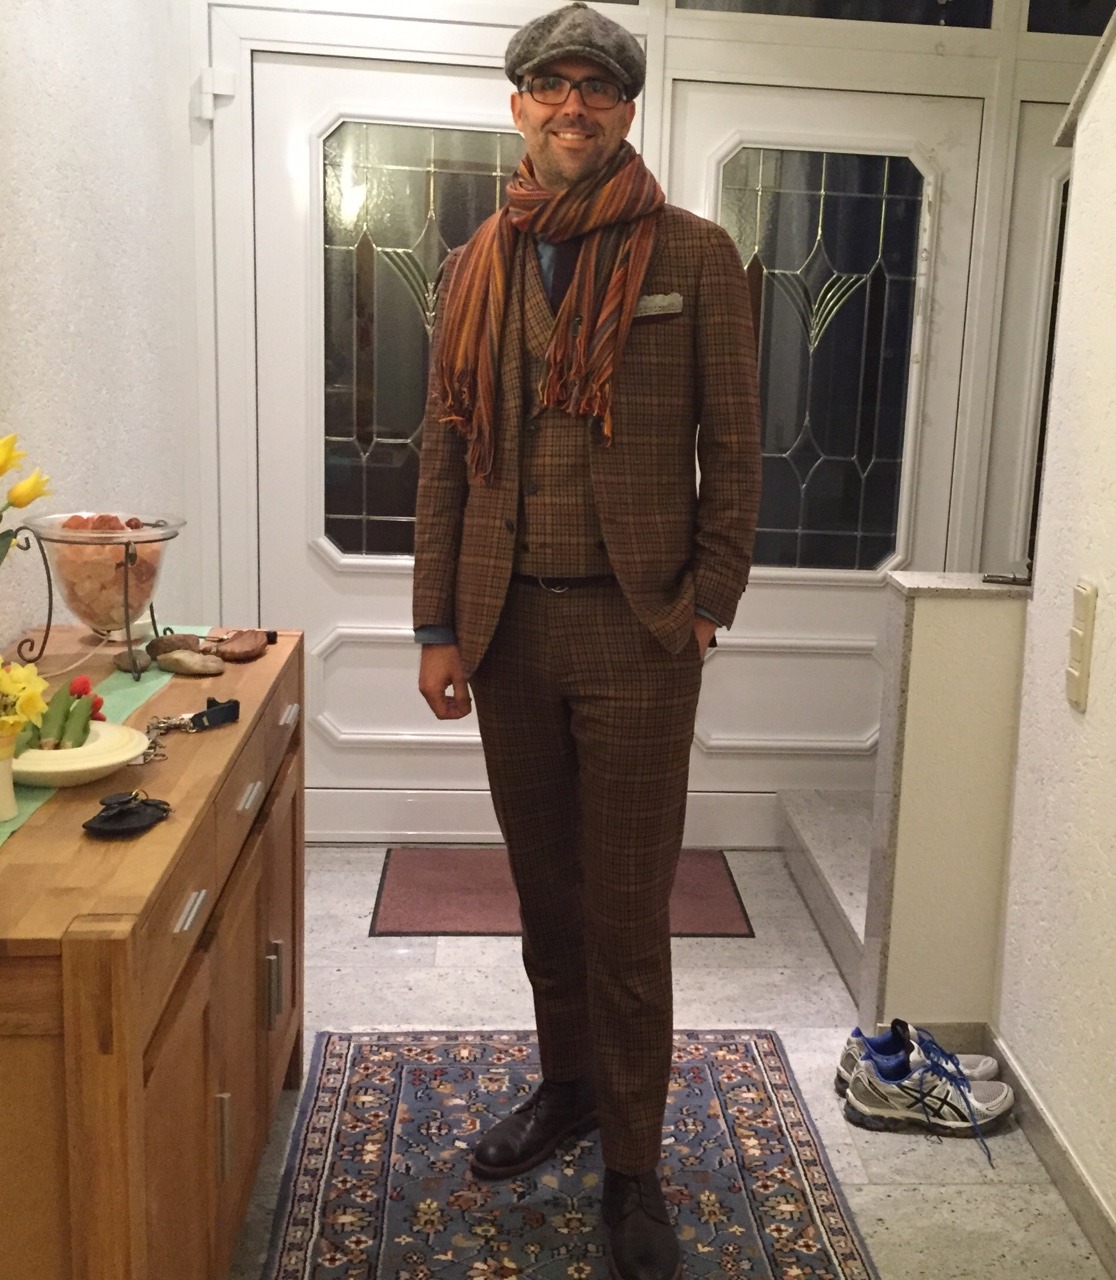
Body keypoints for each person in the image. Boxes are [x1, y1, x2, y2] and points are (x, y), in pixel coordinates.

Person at [412, 4, 761, 1276]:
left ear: (624, 107)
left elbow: (737, 445)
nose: (572, 107)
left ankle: (631, 1161)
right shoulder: (475, 263)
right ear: (517, 105)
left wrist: (708, 598)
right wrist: (436, 622)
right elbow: (443, 450)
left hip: (636, 629)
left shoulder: (695, 254)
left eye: (595, 88)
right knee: (545, 894)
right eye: (549, 86)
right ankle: (566, 1086)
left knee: (624, 911)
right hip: (505, 630)